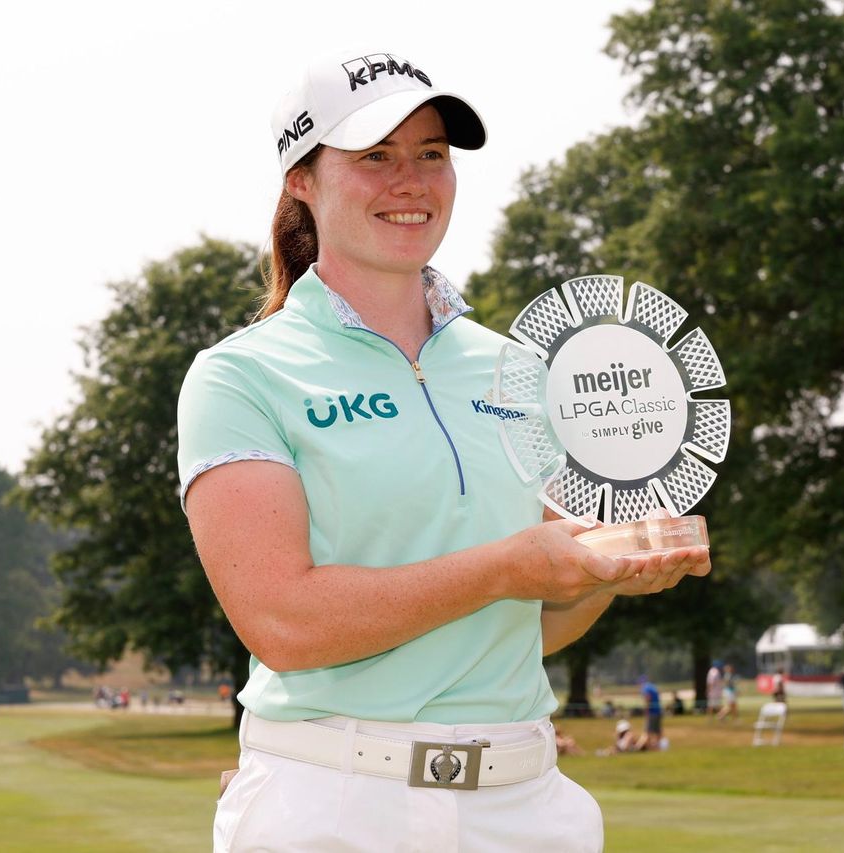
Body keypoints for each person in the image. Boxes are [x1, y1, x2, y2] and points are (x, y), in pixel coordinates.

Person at [177, 49, 713, 852]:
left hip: (526, 804)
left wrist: (607, 570)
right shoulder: (242, 375)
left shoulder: (517, 366)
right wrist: (508, 565)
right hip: (337, 803)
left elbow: (521, 628)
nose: (411, 180)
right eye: (375, 157)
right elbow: (282, 619)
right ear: (302, 179)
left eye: (432, 154)